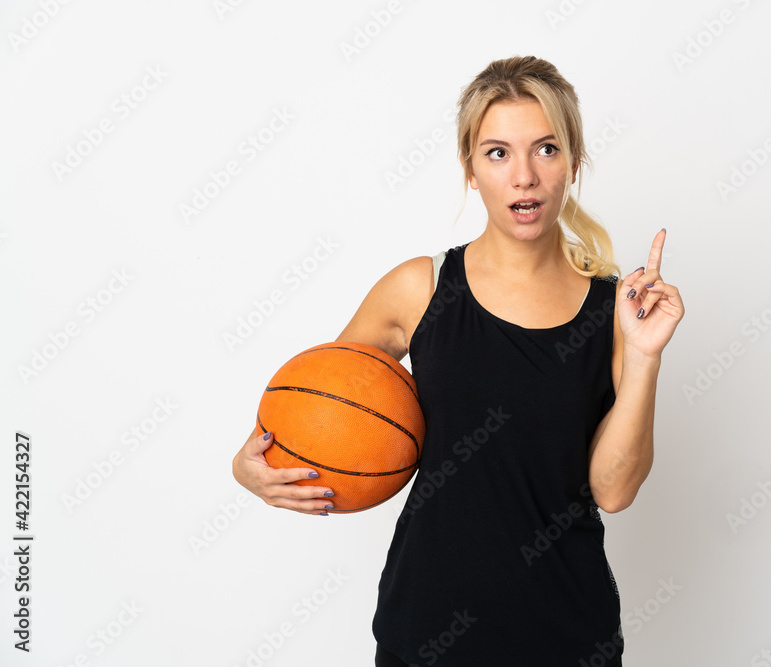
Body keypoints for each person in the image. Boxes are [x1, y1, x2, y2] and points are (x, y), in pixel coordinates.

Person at [232, 55, 684, 666]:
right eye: (497, 153)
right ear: (471, 169)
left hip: (567, 636)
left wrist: (645, 355)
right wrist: (251, 465)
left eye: (546, 149)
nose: (523, 175)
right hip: (425, 630)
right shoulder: (419, 288)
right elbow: (322, 407)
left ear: (573, 162)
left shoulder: (616, 313)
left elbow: (614, 491)